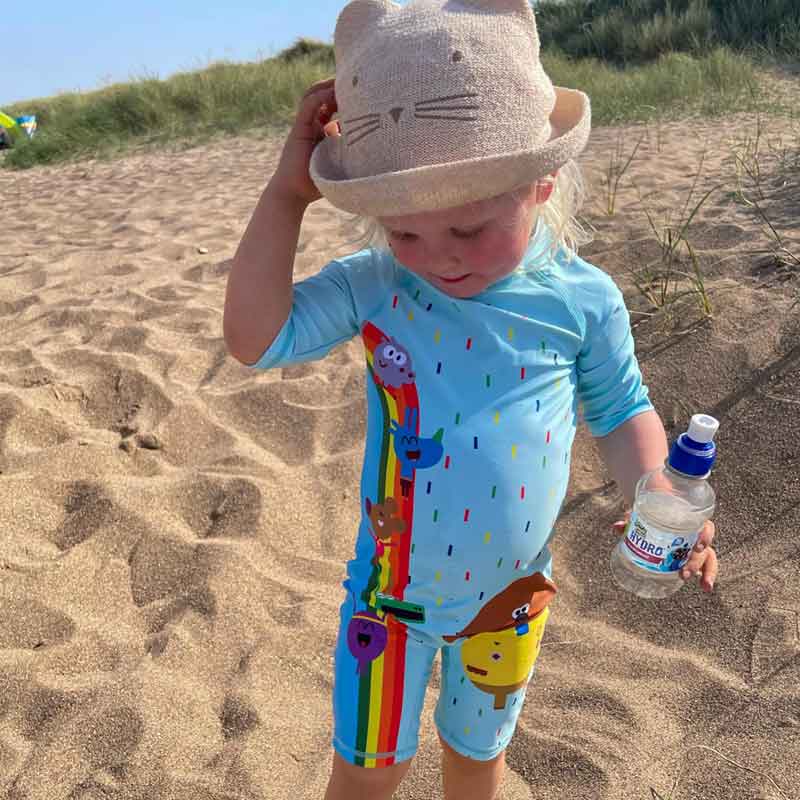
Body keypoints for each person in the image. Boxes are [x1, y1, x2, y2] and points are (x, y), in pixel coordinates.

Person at [223, 1, 719, 798]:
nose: (440, 259)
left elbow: (622, 411)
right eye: (406, 234)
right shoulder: (379, 287)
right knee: (366, 772)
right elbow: (254, 336)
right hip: (387, 604)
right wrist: (288, 195)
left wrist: (658, 496)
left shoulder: (581, 299)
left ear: (540, 183)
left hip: (510, 602)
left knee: (477, 761)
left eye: (472, 229)